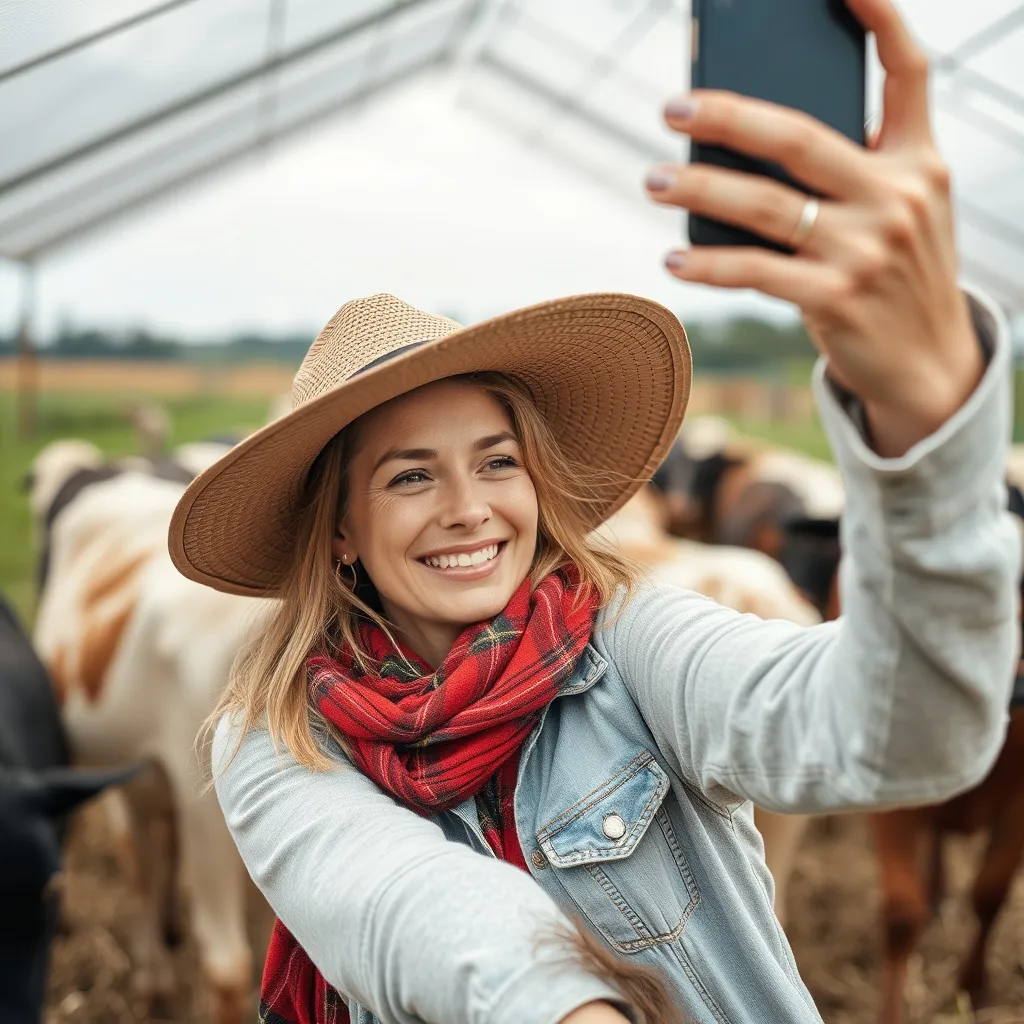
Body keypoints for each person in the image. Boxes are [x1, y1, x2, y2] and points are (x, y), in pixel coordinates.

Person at [169, 1, 1020, 1021]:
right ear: (339, 531)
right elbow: (404, 902)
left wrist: (924, 418)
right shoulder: (274, 737)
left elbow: (898, 735)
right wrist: (564, 1002)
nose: (467, 509)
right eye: (408, 476)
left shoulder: (630, 643)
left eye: (498, 461)